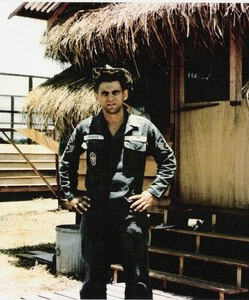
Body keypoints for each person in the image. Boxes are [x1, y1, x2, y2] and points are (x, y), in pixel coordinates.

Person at [59, 65, 176, 299]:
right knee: (93, 283)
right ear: (96, 96)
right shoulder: (86, 128)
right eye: (104, 93)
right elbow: (66, 163)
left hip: (129, 216)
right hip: (95, 217)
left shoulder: (143, 127)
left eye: (115, 92)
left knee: (138, 282)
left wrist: (152, 193)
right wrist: (71, 196)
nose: (110, 98)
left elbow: (168, 160)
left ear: (125, 94)